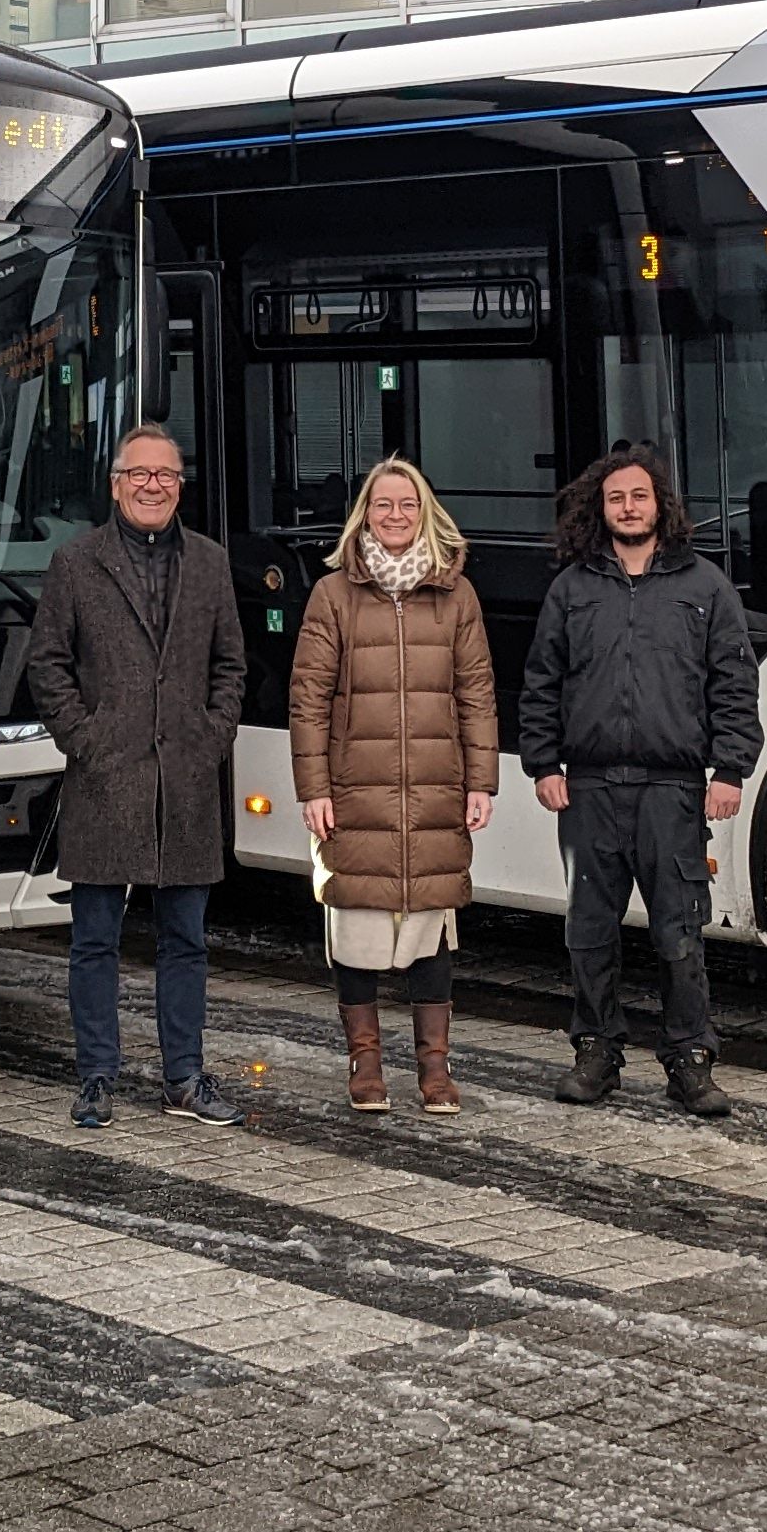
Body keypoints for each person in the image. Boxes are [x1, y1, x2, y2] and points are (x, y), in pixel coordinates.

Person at [519, 448, 761, 1116]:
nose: (628, 507)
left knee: (679, 932)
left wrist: (730, 768)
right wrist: (542, 763)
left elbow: (734, 684)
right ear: (601, 509)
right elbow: (540, 681)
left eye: (639, 496)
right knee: (589, 930)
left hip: (673, 789)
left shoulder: (704, 587)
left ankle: (690, 1060)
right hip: (589, 789)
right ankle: (596, 1053)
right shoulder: (572, 588)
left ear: (662, 506)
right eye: (616, 498)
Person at [24, 423, 248, 1127]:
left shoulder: (210, 563)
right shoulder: (76, 562)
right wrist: (83, 739)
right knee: (95, 941)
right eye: (140, 474)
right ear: (116, 484)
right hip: (104, 781)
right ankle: (96, 1075)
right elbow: (47, 663)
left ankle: (184, 1077)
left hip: (184, 782)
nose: (154, 485)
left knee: (186, 941)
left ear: (181, 485)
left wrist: (211, 737)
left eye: (168, 475)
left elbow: (231, 665)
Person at [289, 455, 499, 1117]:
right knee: (356, 924)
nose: (396, 515)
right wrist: (313, 787)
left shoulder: (455, 594)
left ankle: (435, 1069)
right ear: (365, 514)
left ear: (426, 511)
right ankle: (366, 1062)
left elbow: (477, 692)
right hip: (357, 789)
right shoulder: (333, 595)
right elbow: (308, 698)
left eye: (408, 504)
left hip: (436, 786)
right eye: (383, 505)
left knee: (432, 927)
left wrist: (481, 780)